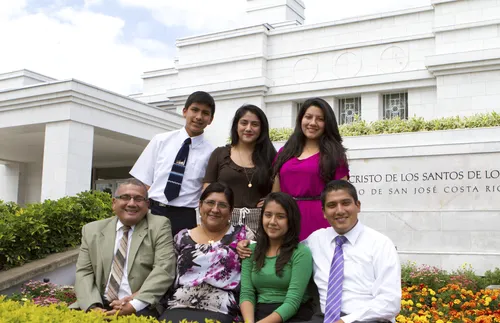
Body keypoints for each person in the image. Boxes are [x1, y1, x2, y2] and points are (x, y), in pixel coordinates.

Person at [72, 178, 176, 318]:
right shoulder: (92, 230)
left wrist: (134, 304)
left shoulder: (159, 226)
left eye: (138, 199)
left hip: (140, 304)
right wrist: (93, 307)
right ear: (114, 203)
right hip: (98, 302)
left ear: (147, 204)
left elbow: (164, 269)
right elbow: (84, 272)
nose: (131, 203)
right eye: (125, 197)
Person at [304, 180, 401, 323]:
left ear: (358, 206)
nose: (339, 210)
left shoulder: (380, 244)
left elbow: (390, 301)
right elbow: (285, 251)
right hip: (323, 318)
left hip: (367, 319)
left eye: (345, 203)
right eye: (332, 205)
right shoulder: (315, 240)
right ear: (324, 212)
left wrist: (346, 321)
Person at [159, 182, 249, 323]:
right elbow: (167, 274)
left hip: (221, 309)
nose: (215, 209)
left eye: (222, 205)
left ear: (231, 211)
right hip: (179, 305)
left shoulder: (243, 236)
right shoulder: (182, 237)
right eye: (210, 203)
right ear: (200, 206)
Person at [130, 91, 215, 236]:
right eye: (194, 110)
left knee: (180, 258)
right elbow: (144, 180)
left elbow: (205, 189)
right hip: (155, 212)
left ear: (211, 119)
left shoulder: (212, 153)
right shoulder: (160, 140)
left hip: (186, 217)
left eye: (205, 113)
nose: (199, 117)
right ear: (184, 111)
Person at [272, 98, 350, 240]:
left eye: (320, 119)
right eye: (308, 117)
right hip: (286, 219)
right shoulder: (285, 152)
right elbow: (275, 192)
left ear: (327, 123)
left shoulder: (335, 155)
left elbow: (342, 195)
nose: (313, 123)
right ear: (301, 119)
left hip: (320, 221)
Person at [240, 192, 313, 323]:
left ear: (291, 220)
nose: (272, 222)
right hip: (258, 313)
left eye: (280, 217)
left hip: (293, 315)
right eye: (268, 215)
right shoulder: (250, 250)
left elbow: (293, 301)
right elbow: (246, 294)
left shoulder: (301, 252)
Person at [203, 104, 276, 236]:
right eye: (244, 123)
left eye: (255, 124)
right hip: (223, 221)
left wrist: (271, 200)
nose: (248, 128)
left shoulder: (270, 157)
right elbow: (207, 190)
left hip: (260, 226)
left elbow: (277, 191)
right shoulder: (220, 154)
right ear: (236, 126)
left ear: (262, 129)